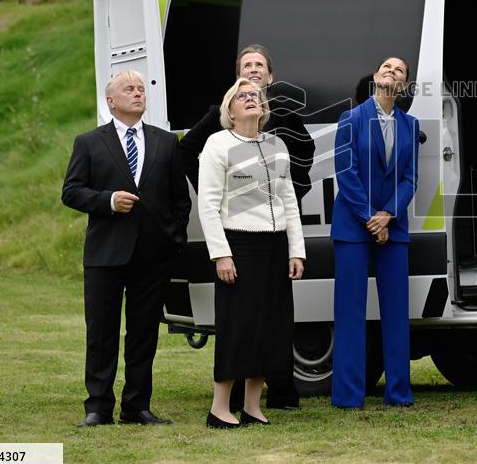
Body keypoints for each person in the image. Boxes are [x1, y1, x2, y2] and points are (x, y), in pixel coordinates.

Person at [179, 44, 314, 410]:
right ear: (230, 105)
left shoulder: (277, 140)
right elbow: (206, 198)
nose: (252, 78)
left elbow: (290, 192)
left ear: (270, 77)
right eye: (246, 68)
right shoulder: (218, 140)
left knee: (274, 322)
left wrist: (296, 247)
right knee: (241, 323)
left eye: (259, 68)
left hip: (275, 242)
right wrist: (226, 204)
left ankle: (264, 401)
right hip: (239, 240)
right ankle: (226, 404)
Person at [62, 70, 191, 428]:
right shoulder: (88, 142)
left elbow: (181, 201)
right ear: (110, 101)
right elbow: (71, 191)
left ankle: (137, 406)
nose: (137, 94)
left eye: (140, 89)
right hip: (105, 254)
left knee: (143, 334)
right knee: (101, 333)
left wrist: (173, 239)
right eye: (128, 89)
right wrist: (107, 201)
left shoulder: (166, 142)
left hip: (153, 255)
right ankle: (98, 407)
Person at [331, 57, 419, 409]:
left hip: (393, 227)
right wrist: (371, 217)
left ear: (403, 86)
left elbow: (410, 178)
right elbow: (345, 174)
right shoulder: (350, 119)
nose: (391, 71)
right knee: (350, 313)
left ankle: (398, 394)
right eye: (386, 66)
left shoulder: (410, 125)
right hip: (353, 227)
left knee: (397, 314)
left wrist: (388, 216)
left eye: (399, 70)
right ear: (376, 77)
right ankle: (348, 396)